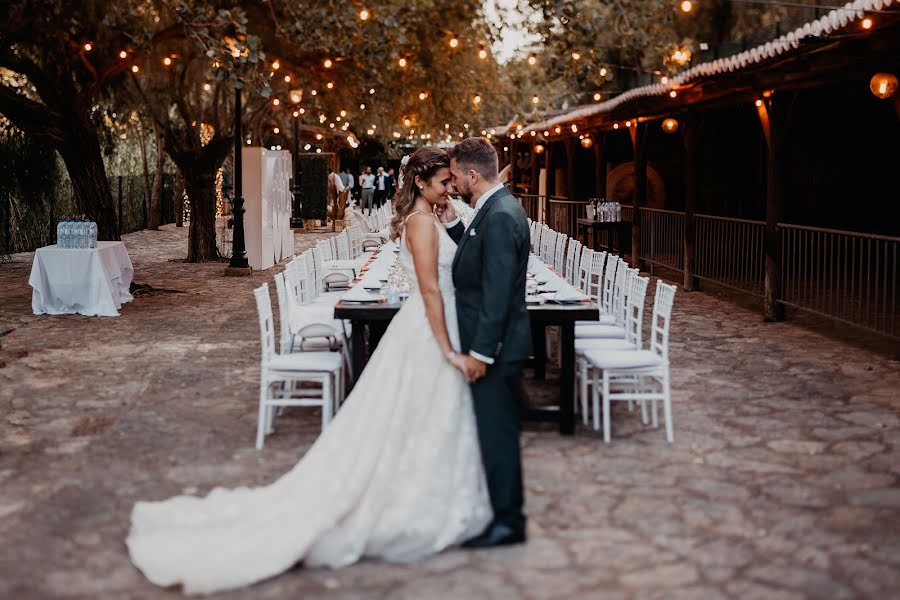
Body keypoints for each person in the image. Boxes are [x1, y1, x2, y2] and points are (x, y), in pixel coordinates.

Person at [126, 147, 492, 595]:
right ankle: (407, 504)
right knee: (412, 415)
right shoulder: (420, 224)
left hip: (427, 325)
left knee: (418, 419)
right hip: (429, 331)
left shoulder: (432, 217)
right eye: (441, 183)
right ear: (419, 183)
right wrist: (447, 348)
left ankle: (426, 494)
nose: (449, 189)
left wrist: (451, 215)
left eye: (450, 183)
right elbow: (432, 291)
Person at [435, 137, 531, 548]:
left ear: (473, 175)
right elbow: (477, 262)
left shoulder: (502, 215)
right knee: (493, 433)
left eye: (455, 175)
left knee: (498, 436)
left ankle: (509, 522)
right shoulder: (491, 210)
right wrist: (455, 224)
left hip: (495, 348)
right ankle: (501, 514)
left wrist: (479, 354)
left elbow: (496, 292)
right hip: (494, 344)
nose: (452, 182)